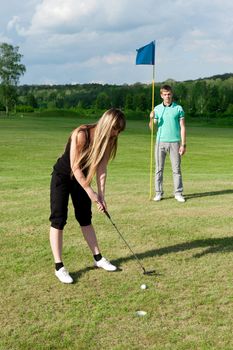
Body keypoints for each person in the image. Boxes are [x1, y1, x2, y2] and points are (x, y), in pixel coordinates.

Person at [49, 108, 126, 283]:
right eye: (115, 128)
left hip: (81, 179)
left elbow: (101, 169)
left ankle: (98, 258)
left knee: (85, 218)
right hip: (62, 176)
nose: (116, 133)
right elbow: (75, 167)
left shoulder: (110, 140)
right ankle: (59, 267)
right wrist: (90, 192)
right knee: (58, 219)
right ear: (107, 124)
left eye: (119, 130)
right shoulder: (81, 134)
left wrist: (101, 195)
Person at [149, 84, 186, 202]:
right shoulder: (157, 109)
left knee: (176, 169)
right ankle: (158, 193)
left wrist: (183, 144)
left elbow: (183, 127)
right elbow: (152, 128)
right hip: (160, 142)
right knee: (158, 169)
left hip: (175, 142)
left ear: (172, 94)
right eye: (165, 94)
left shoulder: (178, 108)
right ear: (161, 95)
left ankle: (178, 193)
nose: (167, 96)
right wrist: (151, 118)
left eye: (169, 94)